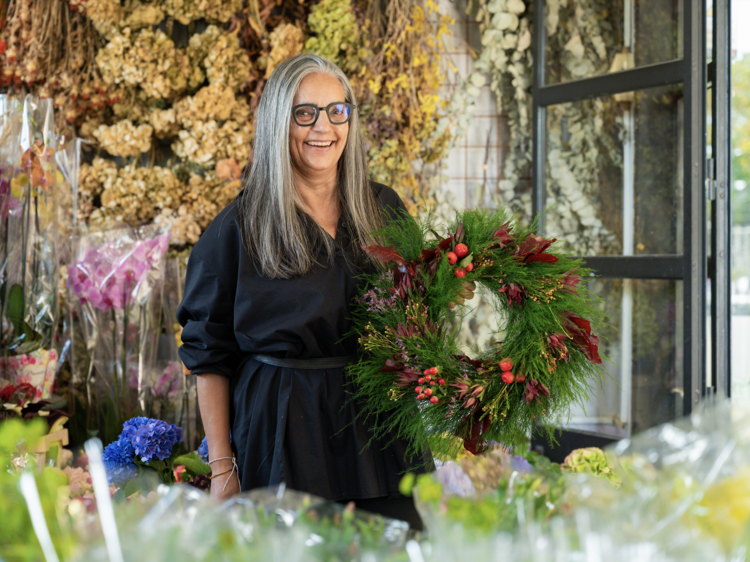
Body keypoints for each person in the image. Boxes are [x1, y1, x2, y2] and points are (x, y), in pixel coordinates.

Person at [176, 53, 433, 528]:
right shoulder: (240, 227)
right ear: (279, 121)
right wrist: (221, 468)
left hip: (378, 428)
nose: (324, 127)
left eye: (338, 110)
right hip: (282, 430)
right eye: (305, 112)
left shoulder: (384, 209)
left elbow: (418, 317)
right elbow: (208, 355)